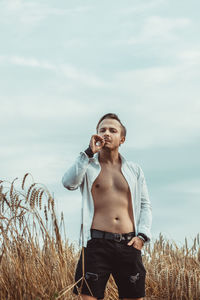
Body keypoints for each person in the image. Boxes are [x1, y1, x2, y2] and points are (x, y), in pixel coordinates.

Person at [62, 113, 152, 300]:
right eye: (102, 130)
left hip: (128, 244)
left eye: (113, 130)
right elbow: (68, 183)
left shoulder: (134, 170)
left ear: (122, 139)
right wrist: (88, 153)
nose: (107, 133)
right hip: (96, 245)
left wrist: (142, 237)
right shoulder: (88, 166)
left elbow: (145, 205)